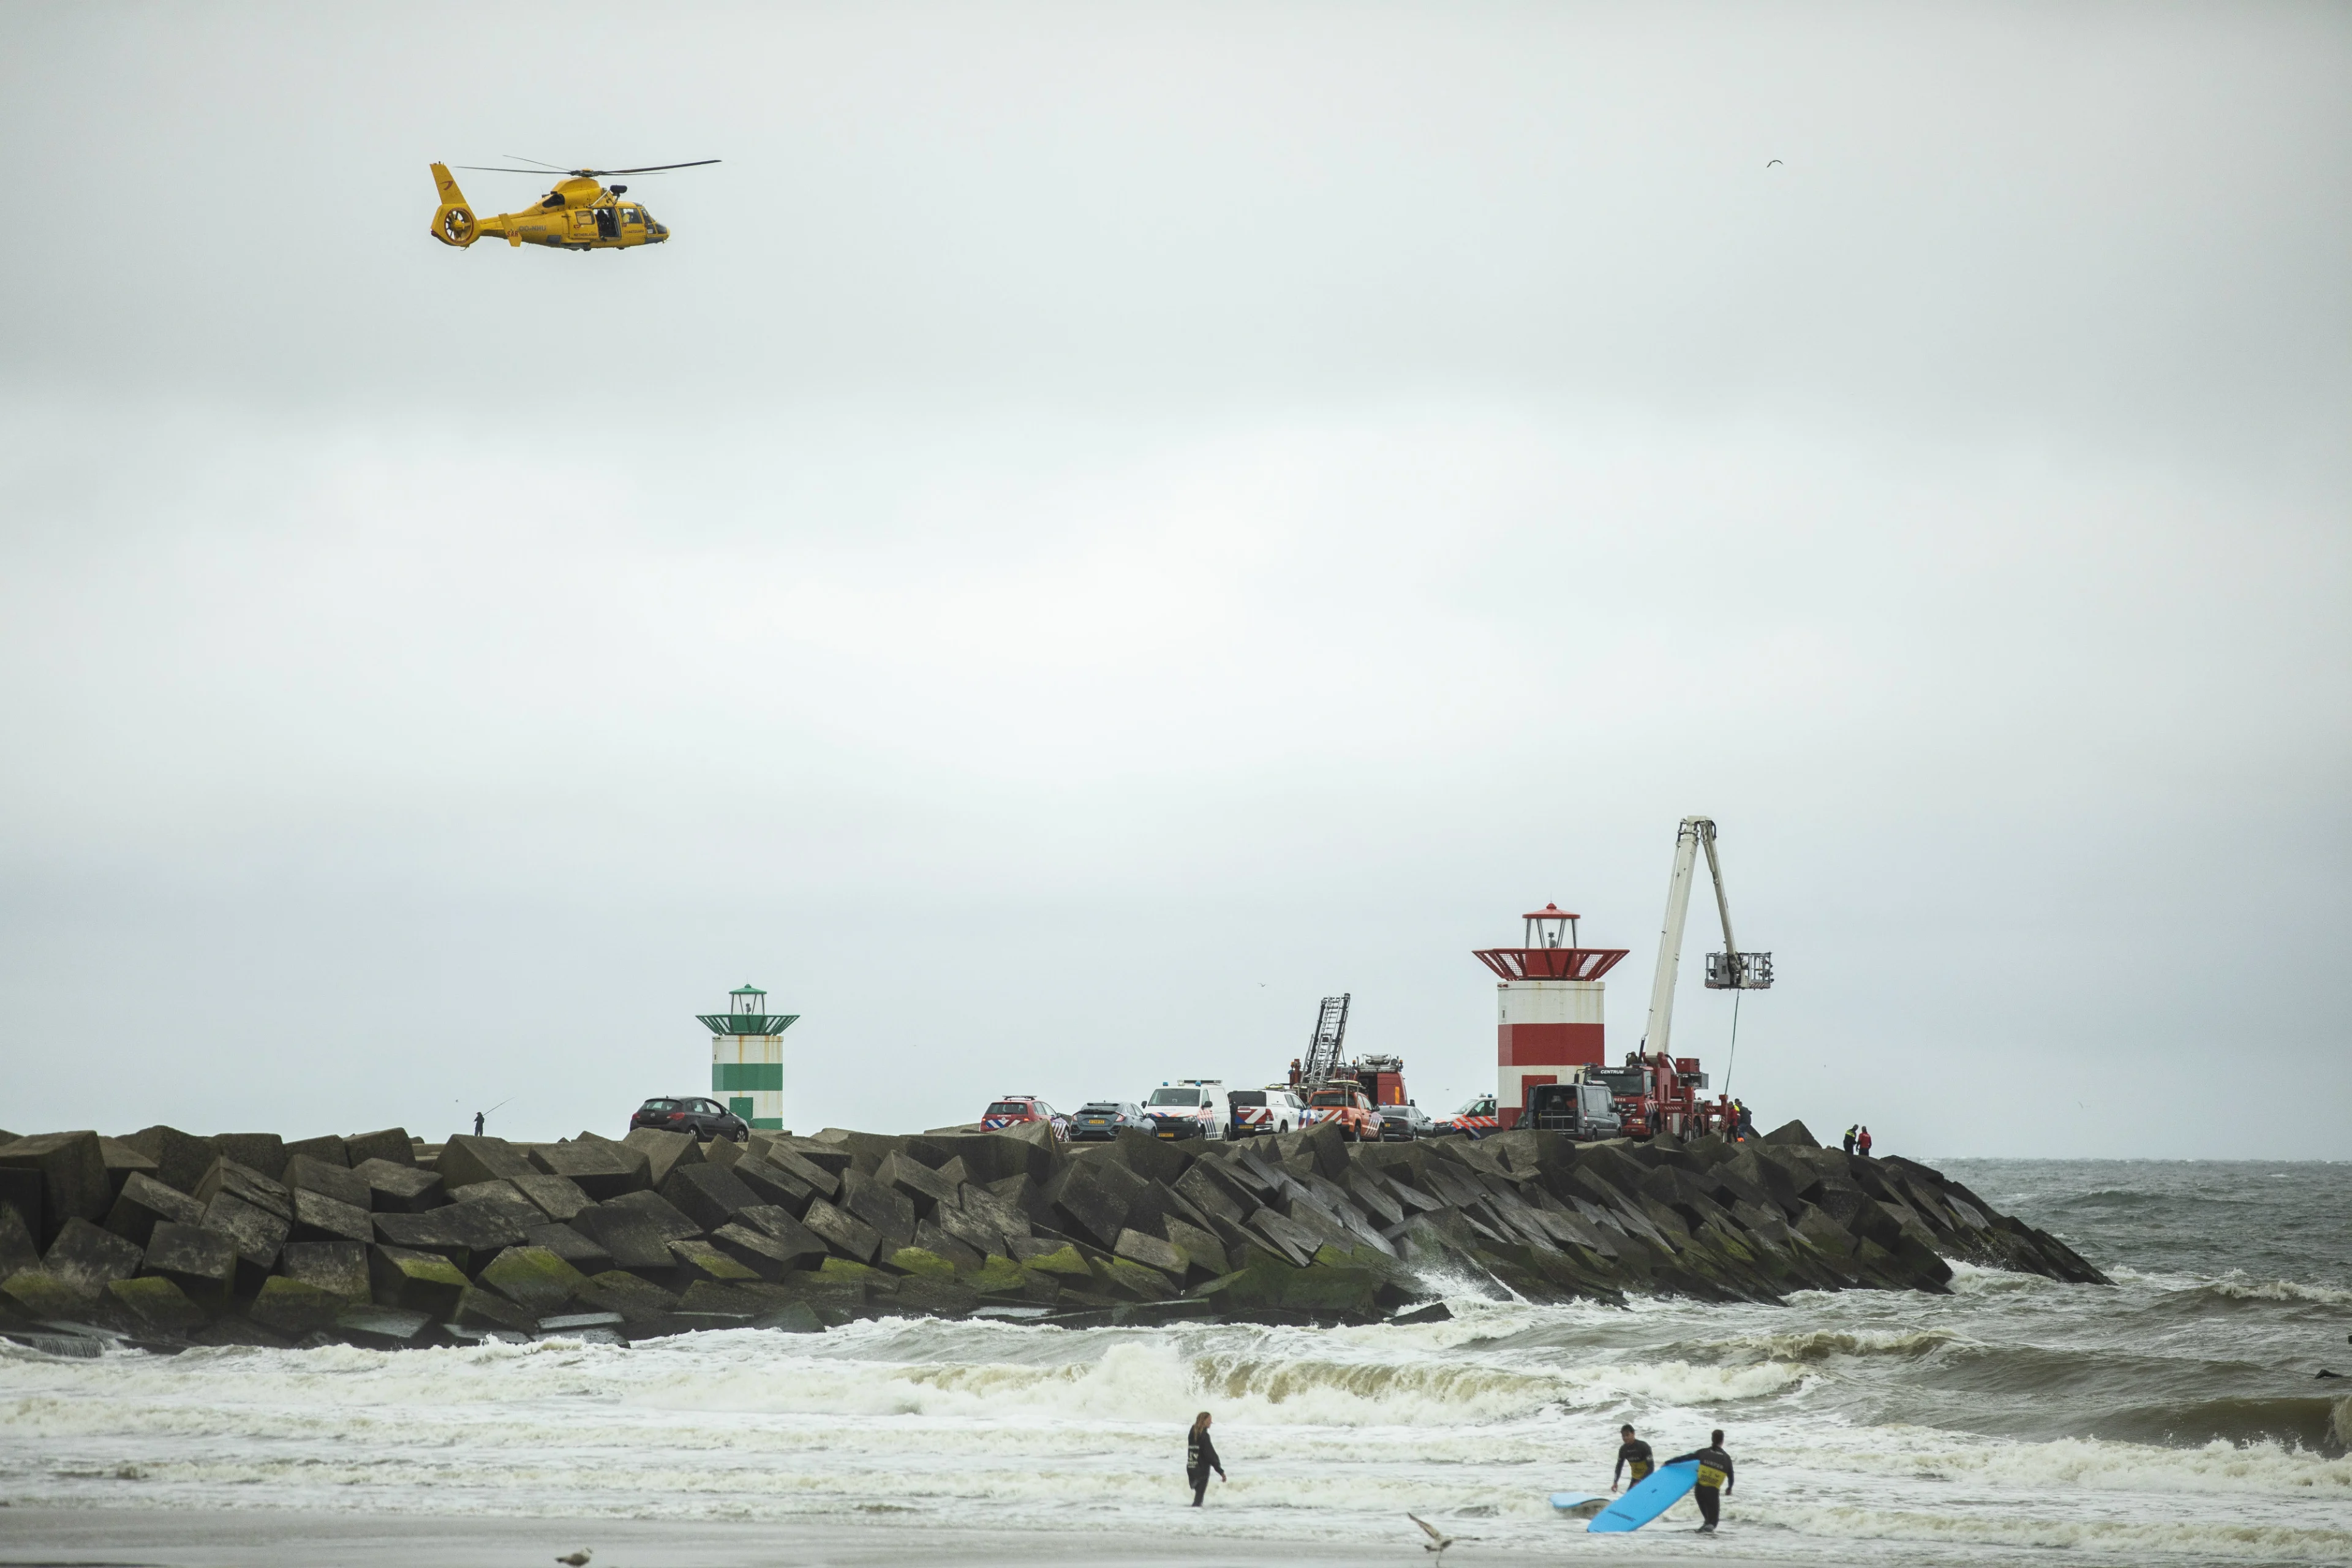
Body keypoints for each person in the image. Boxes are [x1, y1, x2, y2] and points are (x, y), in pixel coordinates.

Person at [1665, 1428, 1735, 1533]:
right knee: (1713, 1522)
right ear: (1722, 1441)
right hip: (1712, 1492)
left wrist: (1669, 1462)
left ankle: (1700, 1534)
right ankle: (1705, 1540)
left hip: (1699, 1490)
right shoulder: (1727, 1458)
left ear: (1712, 1440)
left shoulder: (1704, 1452)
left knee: (1708, 1520)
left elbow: (1686, 1457)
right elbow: (1731, 1476)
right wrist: (1729, 1488)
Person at [1185, 1411, 1225, 1506]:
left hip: (1191, 1467)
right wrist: (1220, 1471)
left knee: (1198, 1496)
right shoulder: (1204, 1436)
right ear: (1203, 1421)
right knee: (1199, 1499)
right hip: (1201, 1470)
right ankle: (1195, 1517)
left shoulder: (1193, 1433)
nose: (1211, 1422)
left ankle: (1193, 1516)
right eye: (1209, 1420)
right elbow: (1210, 1455)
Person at [1611, 1423, 1654, 1492]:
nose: (1625, 1438)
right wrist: (1615, 1482)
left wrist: (1640, 1481)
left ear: (1633, 1434)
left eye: (1627, 1435)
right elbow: (1619, 1466)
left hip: (1647, 1479)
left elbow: (1651, 1468)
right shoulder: (1623, 1449)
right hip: (1635, 1479)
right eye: (1623, 1436)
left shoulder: (1643, 1447)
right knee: (1628, 1498)